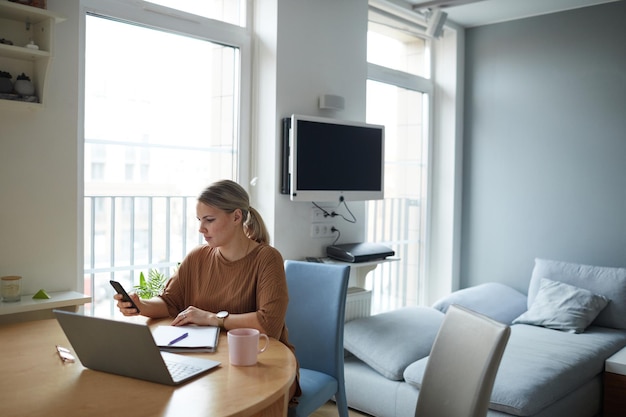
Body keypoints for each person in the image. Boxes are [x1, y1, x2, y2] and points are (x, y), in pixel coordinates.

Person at [115, 179, 301, 403]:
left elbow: (268, 324)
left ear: (236, 217)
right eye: (199, 220)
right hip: (212, 361)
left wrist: (212, 319)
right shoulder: (197, 257)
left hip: (261, 364)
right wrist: (141, 305)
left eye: (209, 220)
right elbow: (170, 303)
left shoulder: (267, 258)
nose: (201, 229)